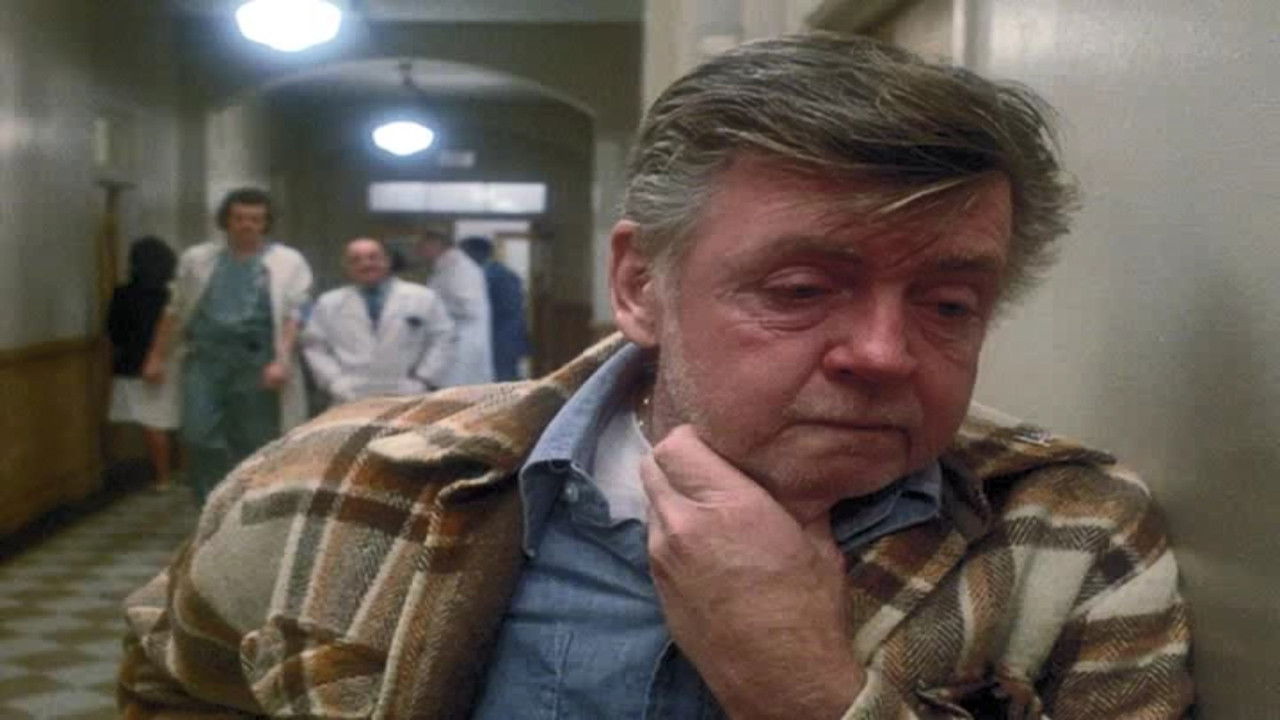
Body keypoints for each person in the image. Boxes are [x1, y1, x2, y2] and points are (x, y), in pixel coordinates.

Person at [120, 34, 1192, 718]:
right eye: (800, 288)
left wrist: (806, 691)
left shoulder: (1065, 541)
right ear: (640, 285)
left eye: (948, 304)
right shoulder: (333, 483)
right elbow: (175, 687)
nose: (883, 352)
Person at [140, 187, 312, 504]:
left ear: (266, 223)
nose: (247, 225)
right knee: (198, 434)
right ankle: (212, 503)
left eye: (256, 219)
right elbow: (175, 310)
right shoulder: (198, 259)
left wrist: (282, 360)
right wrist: (156, 356)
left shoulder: (287, 261)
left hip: (257, 361)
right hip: (205, 360)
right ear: (226, 221)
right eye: (239, 218)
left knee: (255, 440)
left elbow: (295, 313)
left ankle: (250, 505)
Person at [301, 237, 455, 405]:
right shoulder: (329, 303)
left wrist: (424, 378)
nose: (366, 264)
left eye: (373, 257)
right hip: (349, 393)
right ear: (346, 267)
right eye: (355, 260)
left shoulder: (423, 297)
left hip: (407, 390)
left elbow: (443, 338)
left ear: (387, 261)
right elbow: (314, 345)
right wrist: (334, 381)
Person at [107, 236, 180, 491]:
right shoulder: (173, 295)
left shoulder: (123, 293)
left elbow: (114, 331)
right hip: (171, 363)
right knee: (167, 418)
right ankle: (174, 472)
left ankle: (161, 477)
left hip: (133, 363)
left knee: (149, 423)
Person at [417, 229, 494, 386]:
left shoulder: (460, 268)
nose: (419, 251)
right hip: (453, 342)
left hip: (462, 344)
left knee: (458, 389)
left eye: (422, 246)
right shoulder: (446, 267)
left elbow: (468, 308)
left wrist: (429, 309)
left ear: (436, 244)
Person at [460, 235, 530, 380]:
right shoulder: (503, 273)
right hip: (507, 336)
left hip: (499, 338)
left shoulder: (489, 276)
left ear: (475, 253)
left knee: (502, 379)